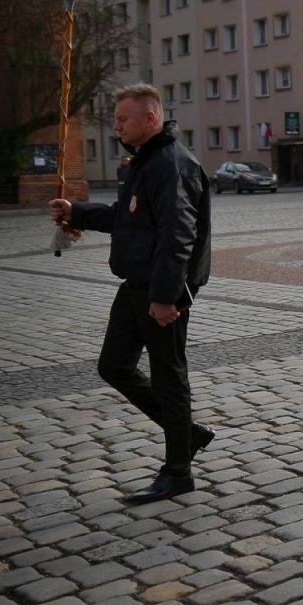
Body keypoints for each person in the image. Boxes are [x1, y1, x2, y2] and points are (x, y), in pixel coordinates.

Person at [47, 83, 212, 505]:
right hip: (134, 286)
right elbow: (129, 217)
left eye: (123, 119)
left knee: (168, 377)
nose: (116, 126)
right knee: (114, 366)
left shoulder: (172, 165)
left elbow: (178, 237)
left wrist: (164, 297)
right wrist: (77, 212)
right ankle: (186, 434)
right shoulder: (144, 162)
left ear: (150, 119)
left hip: (162, 292)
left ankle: (178, 471)